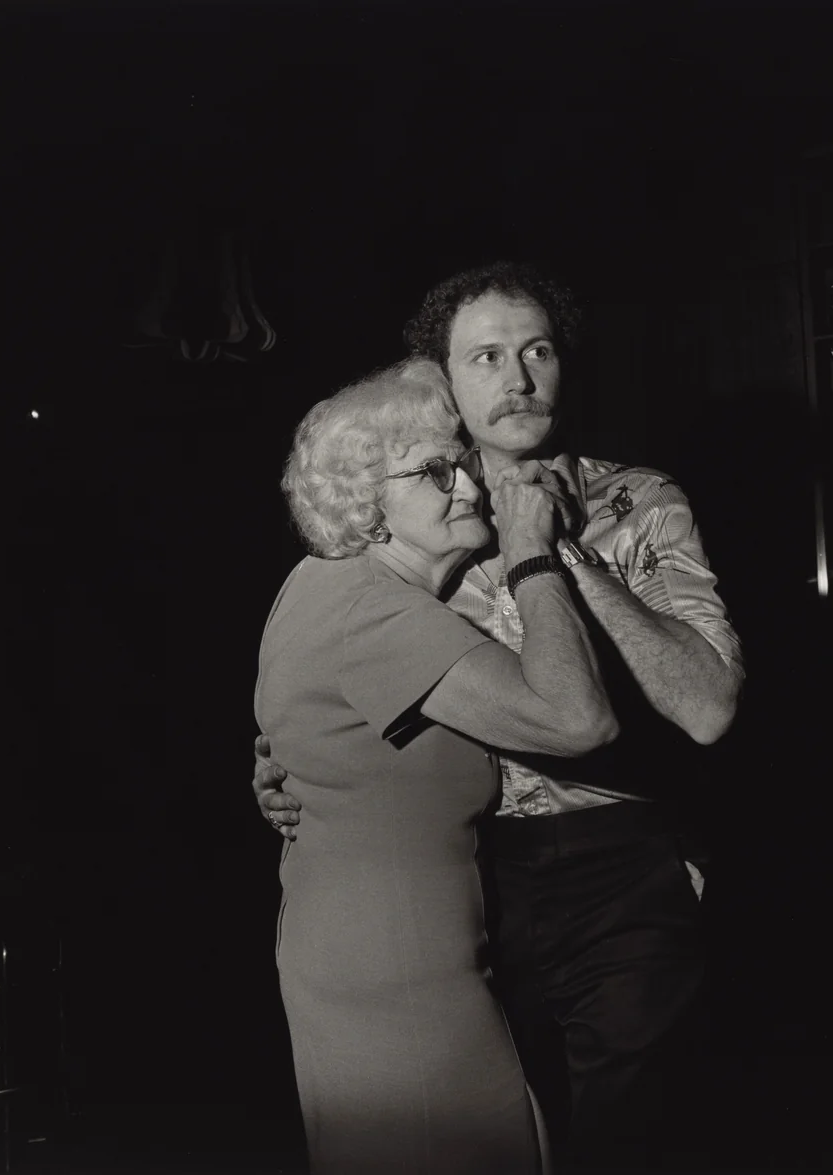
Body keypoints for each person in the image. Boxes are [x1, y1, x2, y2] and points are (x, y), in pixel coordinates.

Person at [255, 263, 745, 1172]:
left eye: (538, 351)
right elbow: (340, 668)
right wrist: (298, 765)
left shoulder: (639, 501)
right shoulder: (414, 508)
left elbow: (710, 709)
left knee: (629, 1142)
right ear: (443, 379)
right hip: (474, 874)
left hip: (620, 865)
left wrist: (557, 550)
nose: (518, 378)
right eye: (486, 356)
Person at [256, 355, 618, 1174]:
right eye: (434, 472)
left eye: (462, 464)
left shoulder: (319, 582)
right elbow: (578, 719)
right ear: (367, 503)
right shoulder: (374, 610)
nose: (468, 487)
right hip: (399, 981)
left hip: (360, 957)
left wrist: (288, 770)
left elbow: (308, 728)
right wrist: (531, 552)